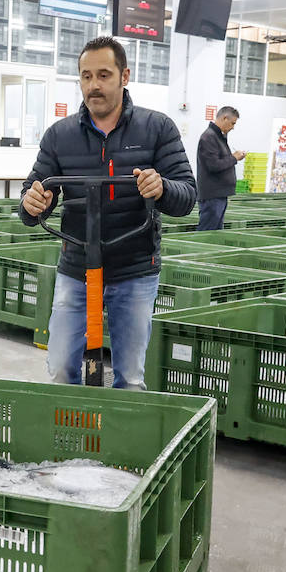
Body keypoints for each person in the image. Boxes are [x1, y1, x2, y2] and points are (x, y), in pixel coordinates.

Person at [18, 36, 196, 389]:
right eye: (86, 76)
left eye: (103, 75)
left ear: (124, 76)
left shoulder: (157, 128)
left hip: (134, 269)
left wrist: (161, 187)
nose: (93, 85)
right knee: (60, 370)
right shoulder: (60, 135)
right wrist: (32, 202)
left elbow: (187, 196)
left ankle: (120, 424)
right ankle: (68, 424)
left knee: (130, 377)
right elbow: (32, 198)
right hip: (76, 269)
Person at [195, 106, 244, 230]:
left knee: (215, 231)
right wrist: (234, 158)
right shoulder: (209, 137)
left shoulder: (218, 137)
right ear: (225, 118)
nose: (233, 127)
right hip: (212, 195)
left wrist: (233, 158)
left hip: (219, 194)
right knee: (207, 232)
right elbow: (213, 165)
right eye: (232, 123)